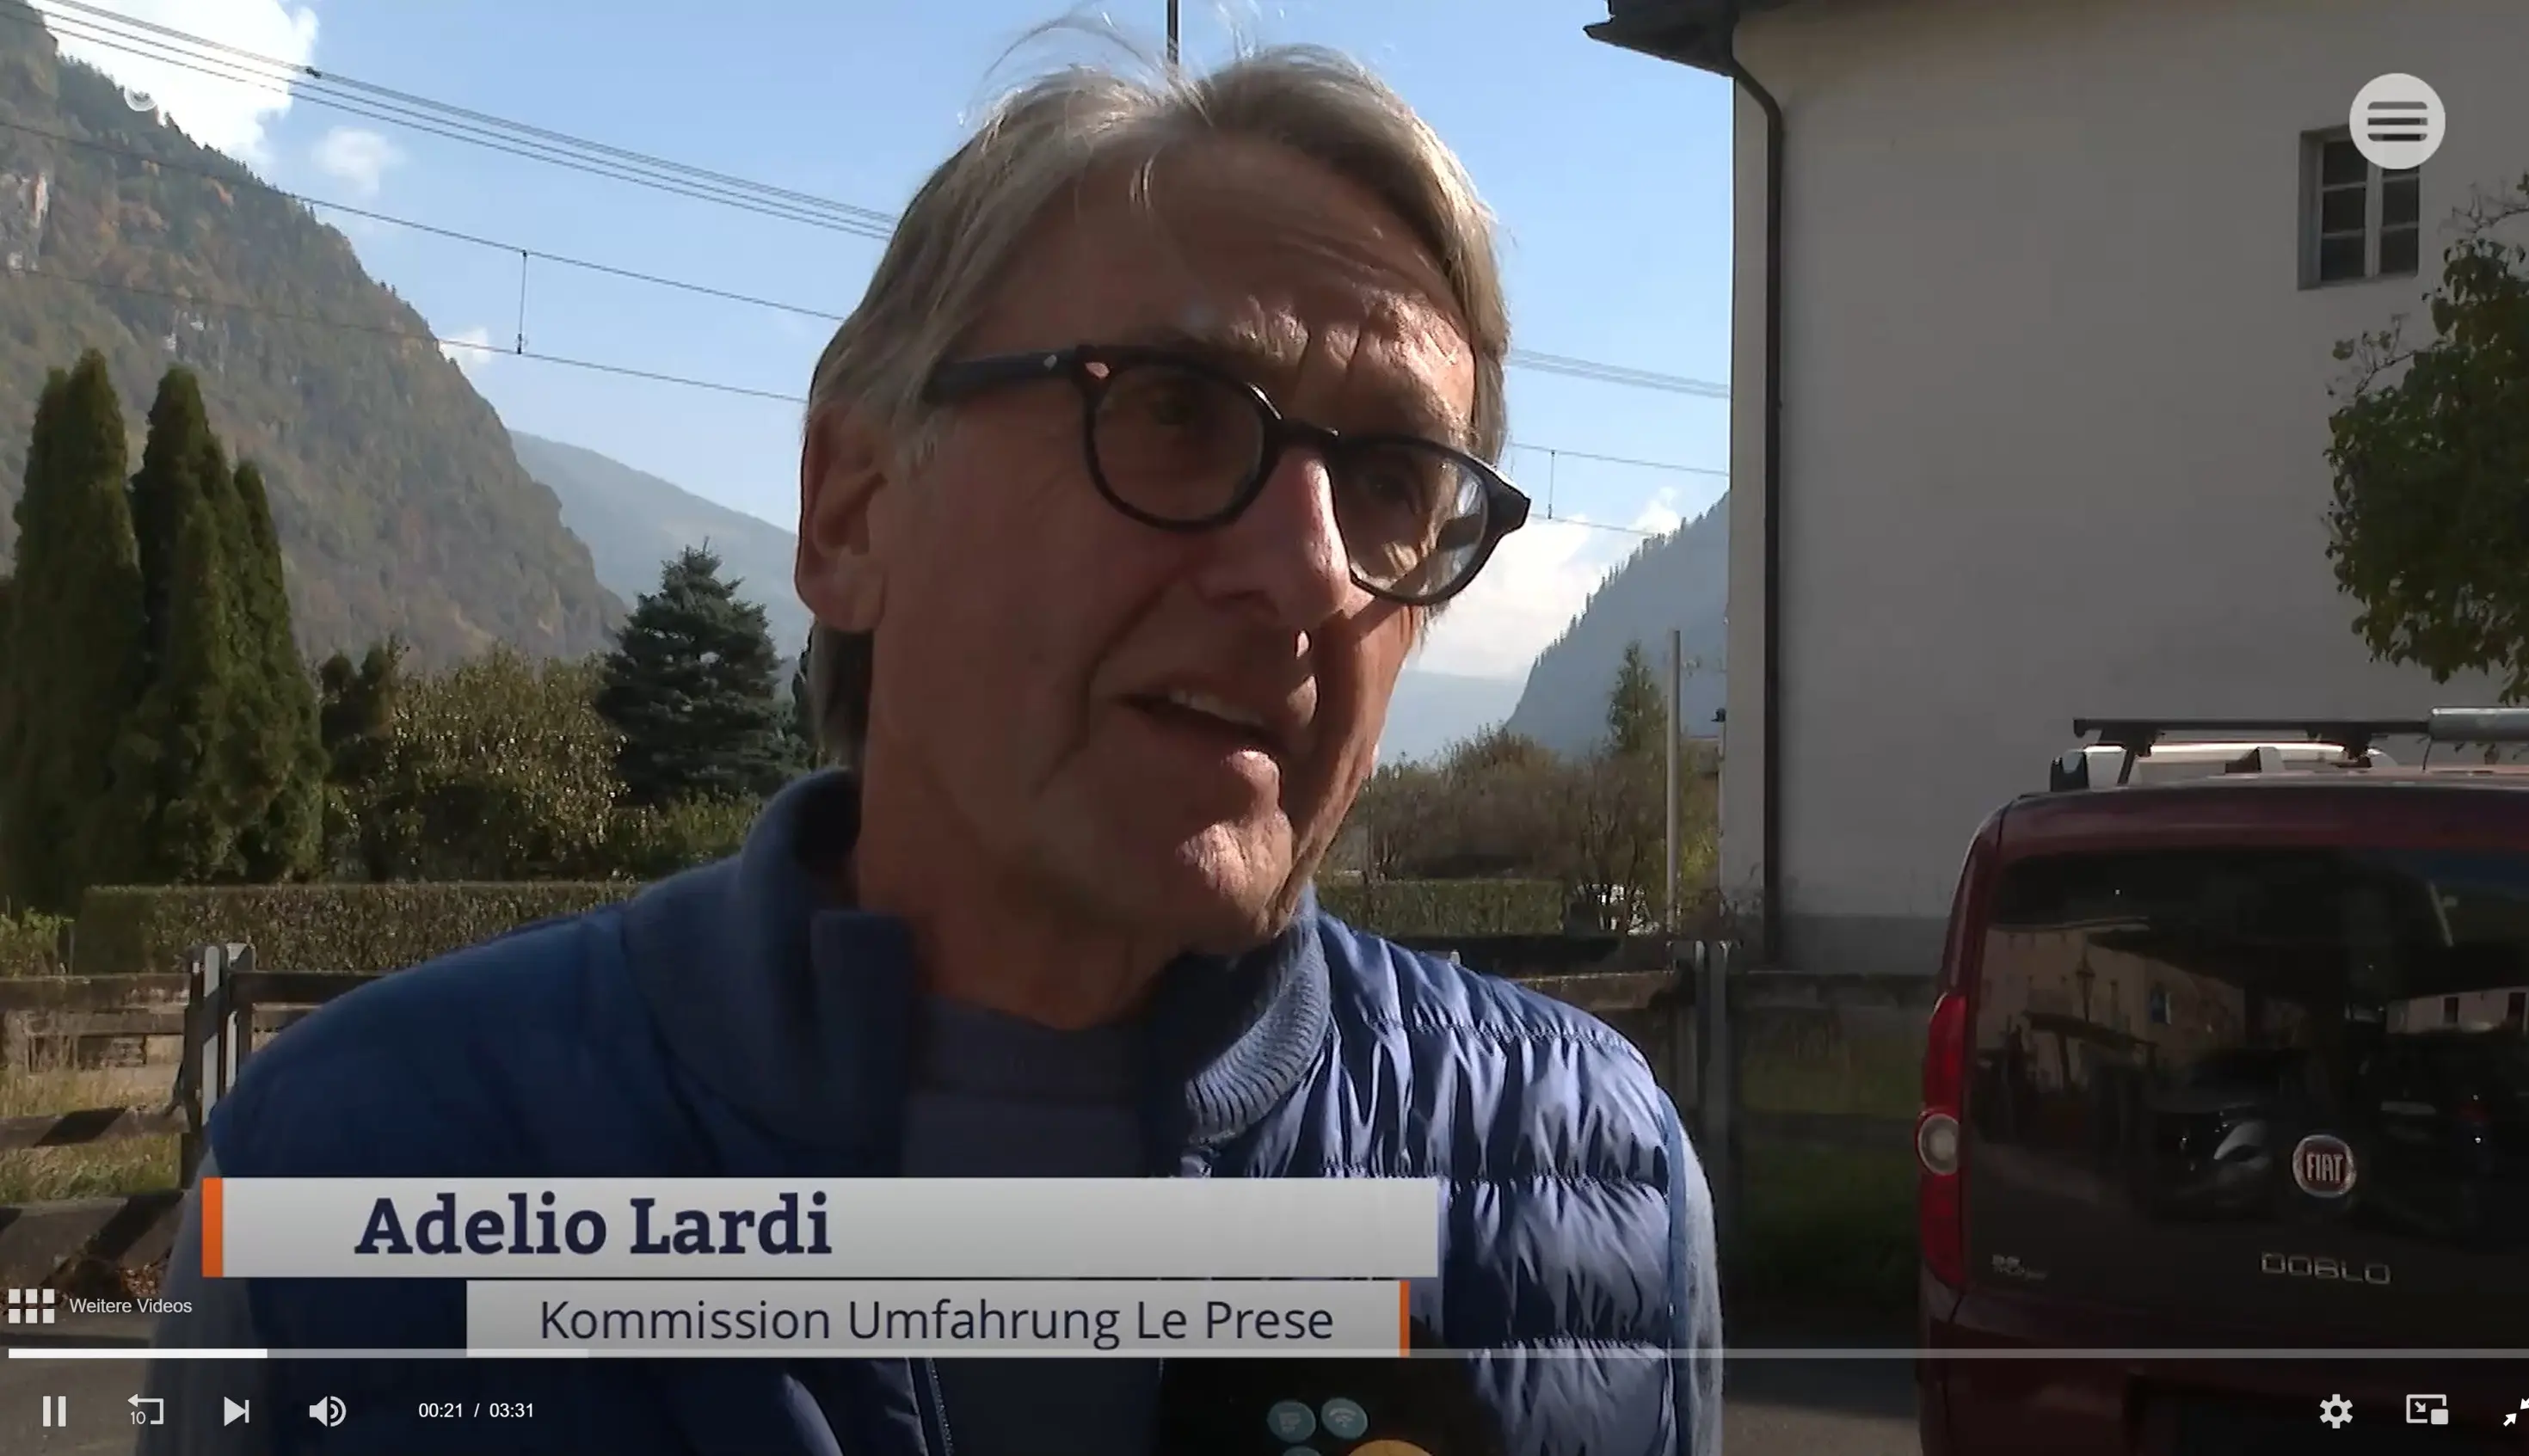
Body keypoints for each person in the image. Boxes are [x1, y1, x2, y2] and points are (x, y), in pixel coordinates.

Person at [141, 43, 1721, 1456]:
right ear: (851, 506)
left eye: (1391, 481)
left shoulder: (1589, 1174)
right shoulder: (370, 1161)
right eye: (1174, 410)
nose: (1309, 573)